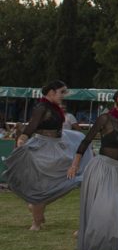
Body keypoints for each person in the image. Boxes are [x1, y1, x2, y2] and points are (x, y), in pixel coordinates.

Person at [67, 86, 118, 250]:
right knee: (107, 206)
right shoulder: (105, 119)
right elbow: (86, 141)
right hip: (101, 168)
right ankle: (94, 238)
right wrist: (75, 165)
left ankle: (97, 235)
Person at [4, 80, 89, 231]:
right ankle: (36, 221)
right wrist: (23, 138)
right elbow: (32, 125)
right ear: (51, 93)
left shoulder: (54, 107)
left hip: (58, 144)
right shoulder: (42, 107)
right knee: (42, 186)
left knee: (66, 181)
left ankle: (37, 207)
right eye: (61, 92)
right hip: (44, 147)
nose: (64, 95)